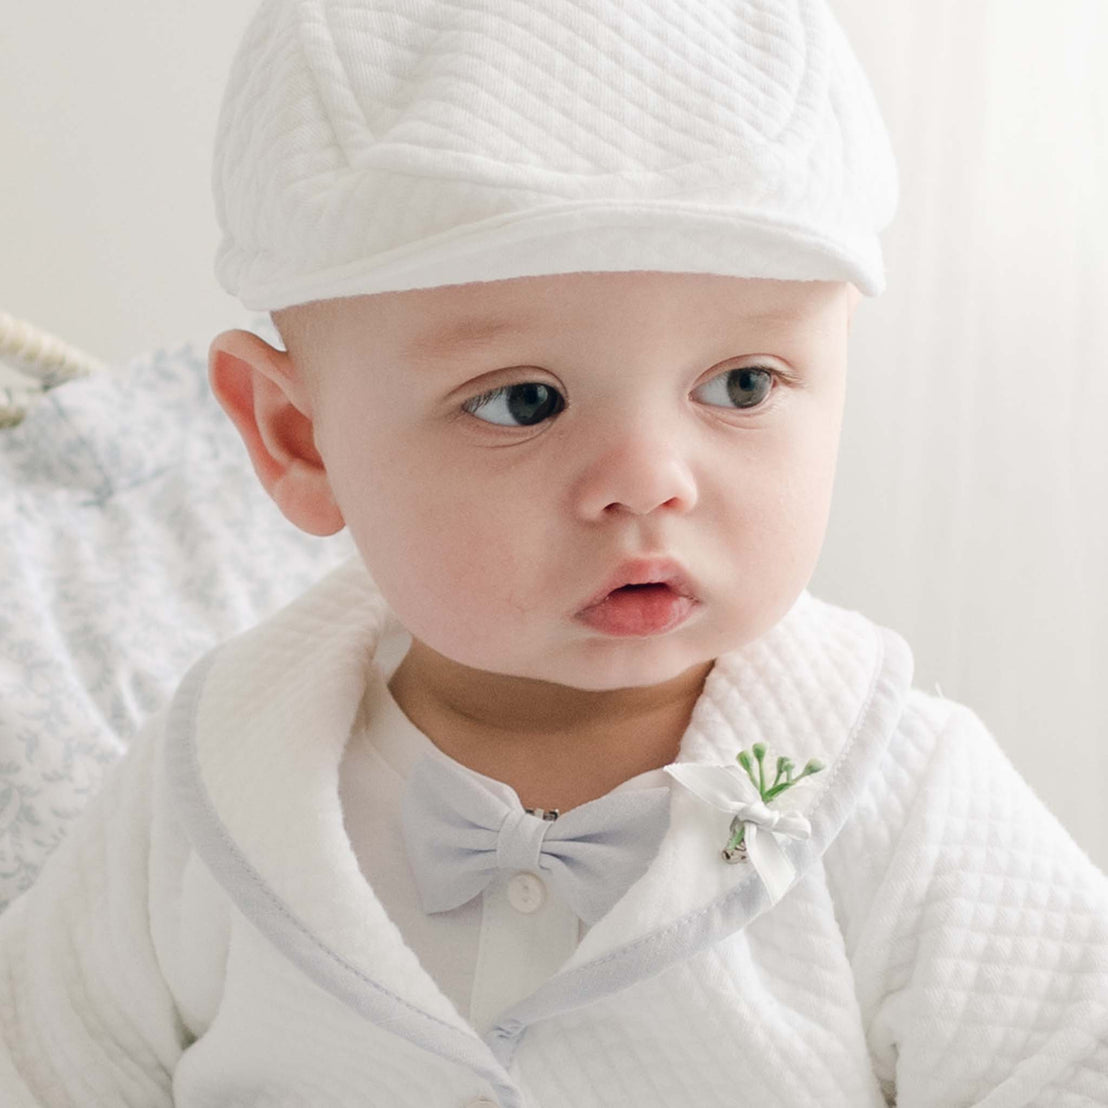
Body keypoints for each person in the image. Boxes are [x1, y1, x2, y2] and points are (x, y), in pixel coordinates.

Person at [1, 0, 1106, 1104]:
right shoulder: (216, 789)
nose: (647, 478)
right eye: (524, 401)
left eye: (742, 384)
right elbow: (45, 1064)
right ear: (299, 439)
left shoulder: (892, 793)